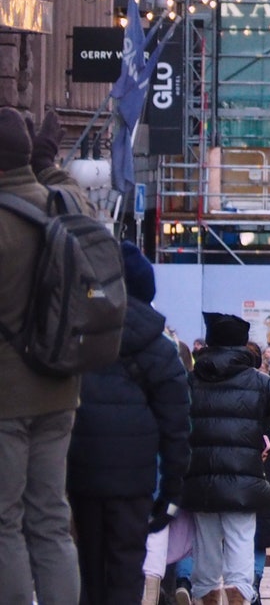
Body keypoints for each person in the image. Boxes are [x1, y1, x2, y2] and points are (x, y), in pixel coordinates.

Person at [0, 109, 91, 605]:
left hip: (6, 398)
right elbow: (75, 196)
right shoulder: (65, 205)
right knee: (52, 521)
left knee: (5, 522)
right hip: (60, 389)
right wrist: (47, 163)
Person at [67, 241, 191, 605]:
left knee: (87, 568)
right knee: (125, 570)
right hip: (135, 485)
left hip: (81, 475)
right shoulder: (161, 350)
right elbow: (176, 429)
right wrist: (170, 495)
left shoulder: (78, 339)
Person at [184, 312, 270, 605]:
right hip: (244, 477)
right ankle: (238, 595)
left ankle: (206, 595)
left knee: (206, 544)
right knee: (240, 540)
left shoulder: (192, 379)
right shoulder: (258, 381)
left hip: (201, 477)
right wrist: (269, 441)